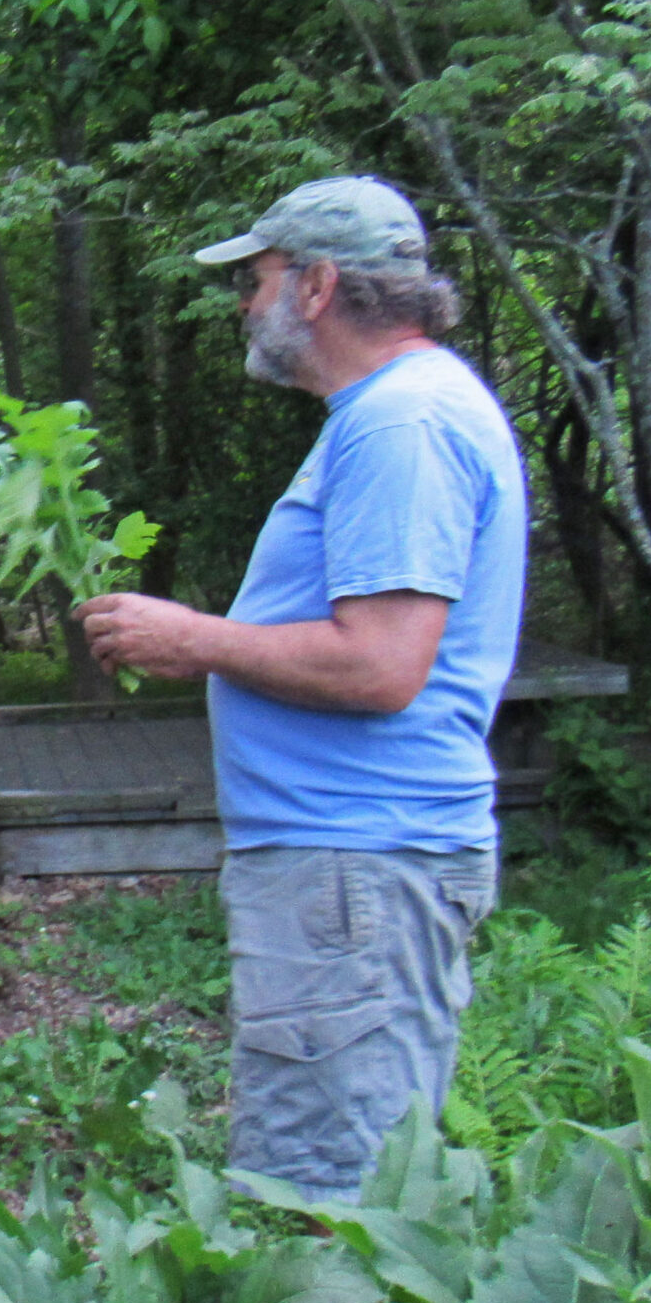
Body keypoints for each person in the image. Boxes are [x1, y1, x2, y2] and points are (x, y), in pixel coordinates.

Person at [76, 176, 526, 1202]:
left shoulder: (402, 423)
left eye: (257, 278)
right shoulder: (393, 411)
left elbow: (380, 665)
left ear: (317, 286)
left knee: (334, 1204)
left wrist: (194, 639)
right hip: (346, 868)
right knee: (340, 1179)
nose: (245, 302)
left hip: (355, 869)